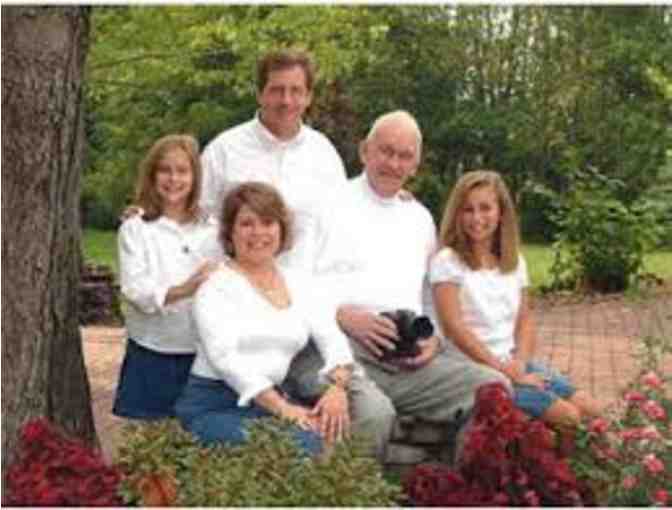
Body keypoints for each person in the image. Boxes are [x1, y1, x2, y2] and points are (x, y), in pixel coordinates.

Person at [293, 110, 509, 461]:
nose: (394, 164)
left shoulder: (418, 218)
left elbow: (429, 296)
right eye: (386, 151)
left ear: (415, 166)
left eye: (404, 156)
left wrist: (432, 338)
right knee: (374, 414)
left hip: (404, 358)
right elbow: (292, 284)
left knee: (493, 389)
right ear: (365, 151)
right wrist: (342, 316)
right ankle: (347, 490)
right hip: (334, 351)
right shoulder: (325, 206)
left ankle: (459, 485)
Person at [175, 182, 357, 456]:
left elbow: (332, 340)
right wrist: (284, 409)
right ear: (230, 232)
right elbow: (225, 359)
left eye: (268, 222)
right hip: (215, 405)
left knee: (330, 433)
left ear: (281, 229)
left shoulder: (300, 283)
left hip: (269, 403)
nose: (258, 232)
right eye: (247, 224)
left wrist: (337, 388)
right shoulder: (216, 287)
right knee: (303, 444)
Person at [430, 169, 602, 427]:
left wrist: (520, 364)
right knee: (568, 416)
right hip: (473, 369)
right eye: (467, 209)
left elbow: (525, 319)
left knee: (591, 408)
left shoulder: (514, 262)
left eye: (485, 208)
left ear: (501, 212)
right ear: (457, 214)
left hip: (512, 363)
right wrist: (504, 370)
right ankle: (556, 455)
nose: (476, 218)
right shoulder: (448, 261)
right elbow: (454, 329)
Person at [199, 49, 347, 270]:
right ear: (260, 94)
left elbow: (340, 225)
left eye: (296, 91)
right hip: (237, 283)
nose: (286, 101)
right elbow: (194, 221)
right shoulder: (223, 150)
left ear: (308, 97)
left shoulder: (324, 155)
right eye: (277, 90)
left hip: (306, 284)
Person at [113, 134, 222, 420]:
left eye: (182, 171)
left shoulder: (214, 229)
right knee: (150, 437)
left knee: (200, 435)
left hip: (204, 353)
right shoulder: (136, 229)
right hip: (152, 350)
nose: (173, 179)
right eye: (165, 170)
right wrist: (186, 289)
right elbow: (136, 291)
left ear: (195, 177)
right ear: (152, 175)